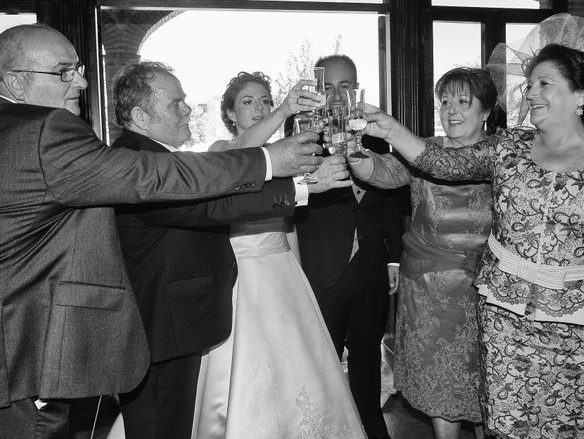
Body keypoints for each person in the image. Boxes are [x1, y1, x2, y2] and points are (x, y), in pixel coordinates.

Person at [0, 24, 323, 439]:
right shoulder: (44, 130)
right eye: (64, 71)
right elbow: (154, 178)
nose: (81, 81)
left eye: (79, 68)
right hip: (28, 339)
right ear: (15, 81)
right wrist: (270, 163)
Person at [350, 13, 584, 439]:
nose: (529, 92)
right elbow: (439, 162)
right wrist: (388, 127)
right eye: (530, 83)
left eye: (544, 84)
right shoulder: (508, 148)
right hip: (506, 318)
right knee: (509, 424)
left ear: (580, 95)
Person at [107, 63, 350, 439]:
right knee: (161, 424)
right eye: (177, 103)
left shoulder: (155, 155)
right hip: (162, 324)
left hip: (186, 316)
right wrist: (303, 189)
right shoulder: (140, 162)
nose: (189, 109)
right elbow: (212, 204)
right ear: (140, 116)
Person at [190, 71, 365, 439]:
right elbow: (244, 155)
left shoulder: (286, 159)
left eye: (265, 102)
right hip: (243, 281)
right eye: (248, 103)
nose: (259, 108)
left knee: (300, 370)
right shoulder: (219, 151)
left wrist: (300, 278)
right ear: (230, 114)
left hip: (283, 272)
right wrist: (284, 109)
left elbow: (288, 226)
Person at [355, 67, 501, 439]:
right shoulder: (425, 149)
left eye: (463, 102)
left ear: (486, 111)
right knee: (441, 387)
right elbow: (383, 173)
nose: (451, 110)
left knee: (491, 385)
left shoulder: (504, 156)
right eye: (445, 101)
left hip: (489, 294)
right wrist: (352, 152)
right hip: (429, 294)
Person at [292, 55, 407, 439]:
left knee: (367, 359)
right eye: (329, 86)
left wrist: (393, 258)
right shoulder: (301, 136)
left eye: (346, 85)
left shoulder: (376, 135)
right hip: (322, 264)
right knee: (321, 361)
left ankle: (372, 430)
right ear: (318, 91)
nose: (338, 94)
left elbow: (393, 201)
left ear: (356, 89)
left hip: (372, 266)